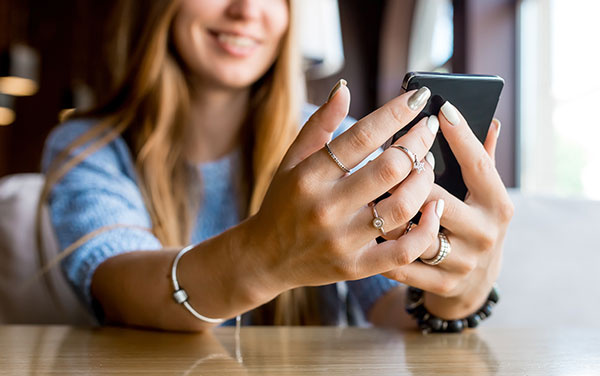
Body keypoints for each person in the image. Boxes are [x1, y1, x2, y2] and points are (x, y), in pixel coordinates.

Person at [40, 0, 513, 332]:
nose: (247, 9)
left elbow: (392, 311)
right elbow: (115, 285)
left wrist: (454, 296)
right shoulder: (88, 146)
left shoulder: (341, 143)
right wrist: (266, 254)